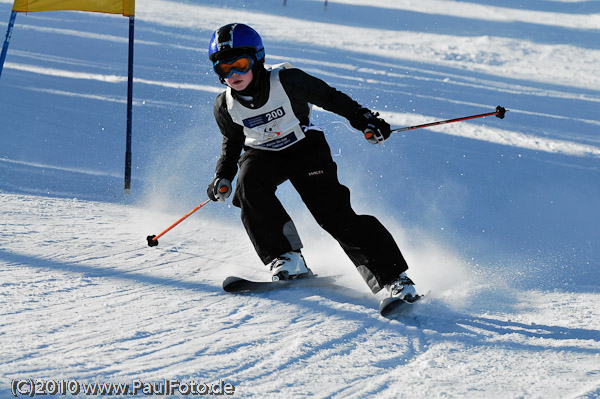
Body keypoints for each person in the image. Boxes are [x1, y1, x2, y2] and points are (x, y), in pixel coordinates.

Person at [205, 23, 417, 301]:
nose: (233, 74)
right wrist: (223, 176)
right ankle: (287, 259)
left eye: (240, 64)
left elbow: (330, 97)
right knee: (248, 186)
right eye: (224, 68)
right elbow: (232, 143)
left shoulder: (287, 80)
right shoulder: (225, 105)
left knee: (333, 214)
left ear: (258, 58)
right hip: (262, 154)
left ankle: (395, 279)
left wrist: (365, 120)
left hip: (304, 147)